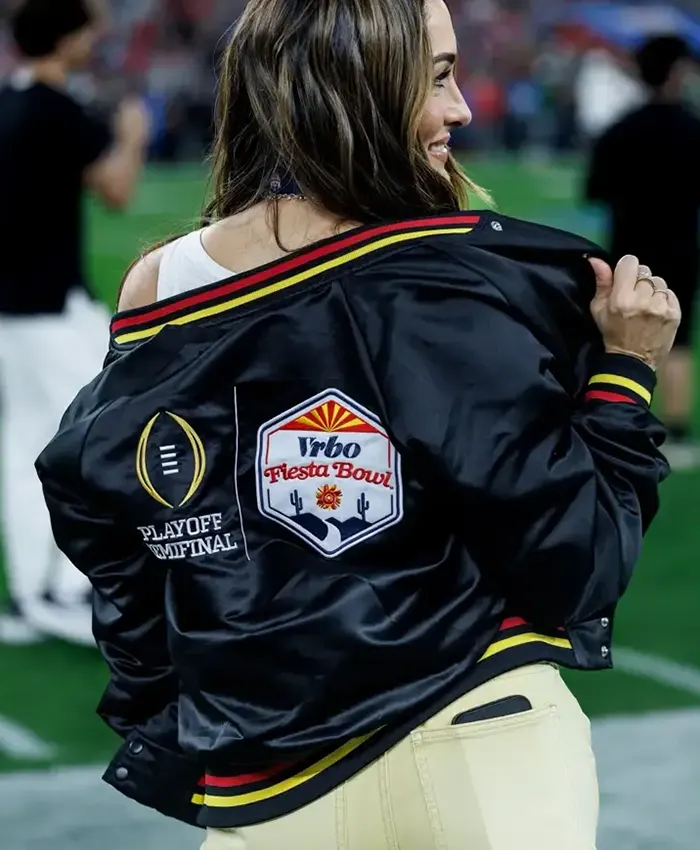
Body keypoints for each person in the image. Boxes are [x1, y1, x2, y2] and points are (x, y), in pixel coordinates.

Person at [36, 1, 679, 848]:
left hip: (266, 783)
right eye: (437, 79)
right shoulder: (451, 280)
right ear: (358, 88)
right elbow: (580, 561)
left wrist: (181, 692)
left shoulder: (161, 284)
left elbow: (104, 512)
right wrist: (627, 372)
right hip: (481, 743)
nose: (462, 109)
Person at [0, 0, 150, 645]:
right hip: (51, 305)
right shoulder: (58, 109)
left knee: (23, 447)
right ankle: (67, 588)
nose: (95, 39)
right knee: (93, 439)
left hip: (12, 306)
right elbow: (115, 190)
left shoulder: (8, 101)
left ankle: (29, 592)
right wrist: (134, 136)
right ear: (65, 38)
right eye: (87, 29)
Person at [585, 34, 700, 467]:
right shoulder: (692, 128)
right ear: (677, 73)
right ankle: (678, 431)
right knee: (679, 338)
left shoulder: (621, 129)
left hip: (629, 252)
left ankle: (622, 418)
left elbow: (594, 190)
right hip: (681, 246)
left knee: (619, 336)